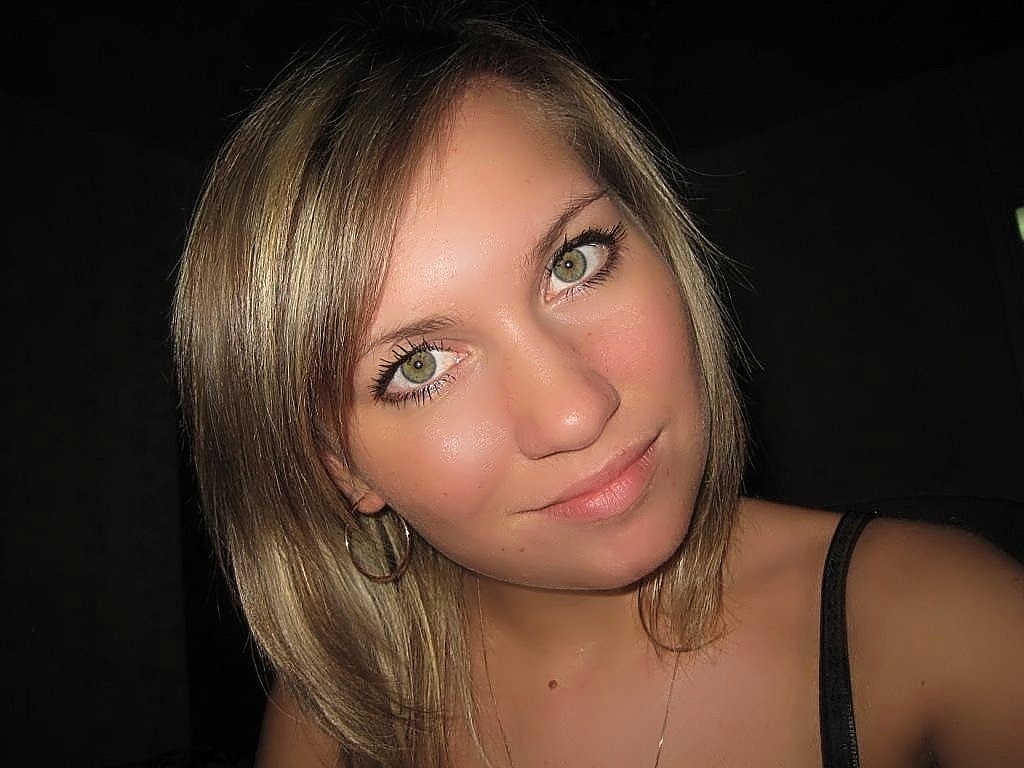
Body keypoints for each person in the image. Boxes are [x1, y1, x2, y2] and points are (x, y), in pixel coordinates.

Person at [172, 12, 1024, 768]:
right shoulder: (332, 723)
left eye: (574, 261)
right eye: (419, 365)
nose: (576, 412)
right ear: (339, 466)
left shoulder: (954, 628)